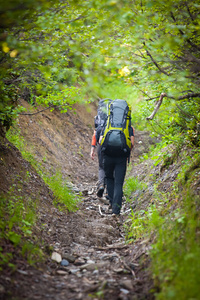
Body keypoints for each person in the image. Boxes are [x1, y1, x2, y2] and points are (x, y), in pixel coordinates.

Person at [101, 125, 134, 216]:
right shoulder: (128, 127)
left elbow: (101, 141)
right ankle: (116, 210)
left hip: (108, 156)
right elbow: (132, 143)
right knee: (118, 183)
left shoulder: (107, 125)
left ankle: (111, 203)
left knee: (109, 178)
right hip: (121, 157)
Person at [90, 125, 106, 197]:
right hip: (117, 145)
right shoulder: (121, 117)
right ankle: (109, 192)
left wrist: (92, 148)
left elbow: (95, 133)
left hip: (101, 143)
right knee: (112, 168)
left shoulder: (100, 117)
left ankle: (101, 185)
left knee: (102, 167)